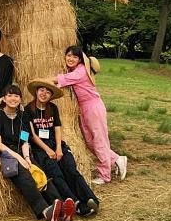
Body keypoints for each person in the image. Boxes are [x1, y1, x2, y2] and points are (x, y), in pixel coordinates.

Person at [0, 84, 65, 221]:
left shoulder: (23, 116)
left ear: (20, 99)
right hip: (5, 154)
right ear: (4, 99)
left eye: (16, 96)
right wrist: (19, 158)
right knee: (24, 174)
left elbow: (24, 140)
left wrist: (27, 158)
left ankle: (60, 206)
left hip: (22, 151)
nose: (13, 98)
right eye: (9, 95)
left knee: (39, 171)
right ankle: (44, 210)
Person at [53, 46, 128, 185]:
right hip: (84, 108)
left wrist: (39, 79)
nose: (70, 59)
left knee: (99, 140)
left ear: (80, 60)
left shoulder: (80, 71)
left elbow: (58, 80)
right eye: (68, 55)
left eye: (75, 57)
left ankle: (105, 175)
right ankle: (117, 159)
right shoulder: (75, 70)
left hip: (93, 107)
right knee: (89, 141)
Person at [24, 79, 99, 218]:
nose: (44, 94)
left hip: (56, 145)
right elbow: (32, 135)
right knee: (56, 174)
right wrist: (47, 149)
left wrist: (58, 148)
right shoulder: (28, 109)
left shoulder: (53, 108)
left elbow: (57, 129)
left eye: (48, 92)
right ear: (36, 91)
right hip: (41, 149)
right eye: (42, 90)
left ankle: (90, 199)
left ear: (51, 96)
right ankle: (76, 204)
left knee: (70, 169)